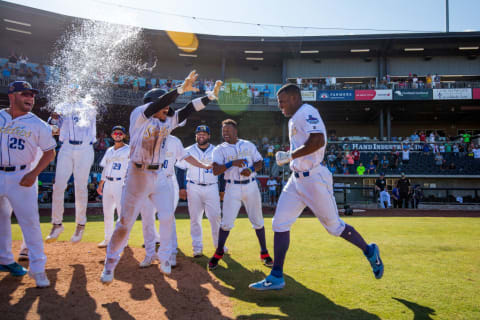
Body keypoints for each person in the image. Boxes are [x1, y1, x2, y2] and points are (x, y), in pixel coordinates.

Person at [249, 84, 383, 291]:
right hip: (296, 180)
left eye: (282, 101)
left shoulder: (307, 111)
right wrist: (291, 156)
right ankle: (276, 275)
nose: (280, 106)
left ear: (294, 98)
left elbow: (318, 140)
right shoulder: (294, 117)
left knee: (335, 227)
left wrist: (290, 155)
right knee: (279, 223)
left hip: (313, 179)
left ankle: (369, 250)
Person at [100, 71, 222, 284]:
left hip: (160, 176)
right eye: (163, 105)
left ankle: (165, 257)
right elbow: (161, 103)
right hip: (137, 174)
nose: (167, 109)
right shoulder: (139, 115)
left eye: (167, 107)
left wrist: (209, 98)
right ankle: (110, 262)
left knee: (166, 216)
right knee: (125, 222)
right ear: (151, 104)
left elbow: (188, 110)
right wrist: (180, 90)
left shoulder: (168, 120)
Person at [0, 81, 56, 288]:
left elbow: (50, 152)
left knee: (30, 222)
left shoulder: (38, 124)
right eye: (25, 94)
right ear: (12, 95)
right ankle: (5, 260)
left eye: (32, 95)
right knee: (1, 219)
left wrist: (34, 173)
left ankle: (38, 269)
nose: (30, 98)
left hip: (22, 175)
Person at [207, 119, 273, 271]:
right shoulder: (219, 149)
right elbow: (215, 171)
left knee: (258, 221)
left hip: (251, 185)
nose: (226, 135)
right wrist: (232, 163)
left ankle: (264, 253)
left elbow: (259, 162)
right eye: (224, 132)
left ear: (235, 131)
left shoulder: (248, 145)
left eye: (228, 132)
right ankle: (218, 253)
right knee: (226, 223)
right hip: (232, 187)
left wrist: (250, 169)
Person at [139, 134, 212, 268]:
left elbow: (186, 157)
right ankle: (149, 254)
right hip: (147, 180)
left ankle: (170, 254)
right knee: (147, 218)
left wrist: (203, 166)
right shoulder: (147, 138)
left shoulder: (174, 141)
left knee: (168, 218)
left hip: (167, 179)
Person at [46, 94, 97, 243]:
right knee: (58, 185)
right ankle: (57, 224)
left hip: (85, 148)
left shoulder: (88, 105)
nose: (72, 93)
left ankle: (80, 224)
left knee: (80, 187)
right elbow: (53, 131)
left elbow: (94, 112)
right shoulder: (61, 106)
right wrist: (54, 119)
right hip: (67, 147)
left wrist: (91, 104)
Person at [175, 125, 224, 258]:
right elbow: (180, 169)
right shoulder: (188, 150)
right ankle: (197, 247)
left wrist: (222, 189)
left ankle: (219, 246)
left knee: (215, 217)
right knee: (195, 218)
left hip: (212, 186)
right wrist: (181, 187)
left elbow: (222, 171)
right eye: (199, 134)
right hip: (193, 186)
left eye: (204, 134)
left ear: (209, 136)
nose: (201, 136)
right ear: (196, 136)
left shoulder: (217, 151)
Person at [96, 126, 130, 248]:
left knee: (122, 214)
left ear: (124, 136)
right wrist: (101, 184)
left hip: (120, 183)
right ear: (112, 135)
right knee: (107, 212)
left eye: (120, 133)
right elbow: (105, 168)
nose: (118, 135)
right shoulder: (109, 150)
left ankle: (123, 240)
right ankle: (107, 238)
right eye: (115, 133)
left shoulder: (129, 150)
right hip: (108, 184)